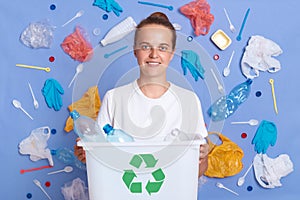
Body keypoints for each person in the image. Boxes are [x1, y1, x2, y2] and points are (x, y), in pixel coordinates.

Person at [74, 12, 209, 177]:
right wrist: (87, 154)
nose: (154, 54)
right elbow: (102, 163)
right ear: (135, 51)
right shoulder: (114, 98)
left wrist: (202, 157)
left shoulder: (188, 100)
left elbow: (197, 172)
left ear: (172, 53)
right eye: (145, 46)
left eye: (163, 47)